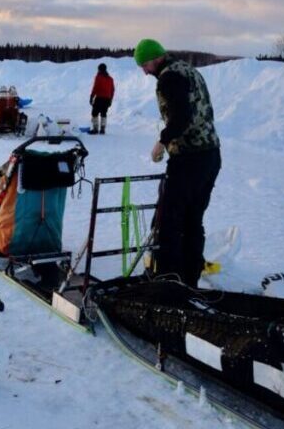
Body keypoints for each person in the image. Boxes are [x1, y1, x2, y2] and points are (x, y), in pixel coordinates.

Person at [134, 38, 221, 288]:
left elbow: (182, 116)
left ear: (155, 58)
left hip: (189, 159)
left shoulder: (169, 77)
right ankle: (189, 279)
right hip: (210, 155)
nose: (144, 70)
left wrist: (162, 142)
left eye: (145, 64)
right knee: (193, 220)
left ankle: (168, 283)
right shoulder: (188, 70)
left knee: (170, 222)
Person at [88, 63, 114, 134]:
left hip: (99, 98)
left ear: (99, 69)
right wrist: (110, 100)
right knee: (103, 113)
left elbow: (95, 88)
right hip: (107, 99)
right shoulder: (110, 79)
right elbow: (112, 90)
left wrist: (91, 97)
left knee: (94, 113)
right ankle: (102, 129)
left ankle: (95, 129)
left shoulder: (98, 77)